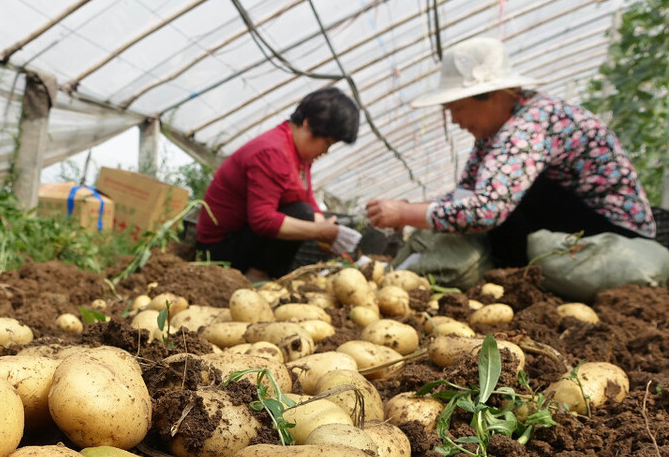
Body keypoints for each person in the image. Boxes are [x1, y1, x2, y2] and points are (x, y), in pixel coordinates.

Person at [366, 37, 656, 268]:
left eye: (456, 108)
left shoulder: (530, 124)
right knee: (496, 190)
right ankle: (508, 273)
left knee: (515, 195)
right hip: (579, 222)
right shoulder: (496, 131)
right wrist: (410, 209)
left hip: (617, 234)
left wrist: (405, 213)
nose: (454, 120)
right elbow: (465, 194)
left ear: (491, 96)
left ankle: (512, 274)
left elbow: (486, 210)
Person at [194, 86, 363, 278]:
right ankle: (257, 277)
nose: (326, 152)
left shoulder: (299, 155)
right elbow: (262, 220)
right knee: (302, 214)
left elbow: (307, 199)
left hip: (242, 238)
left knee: (305, 212)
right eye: (327, 143)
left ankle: (263, 275)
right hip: (218, 249)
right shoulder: (272, 152)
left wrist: (330, 230)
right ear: (307, 125)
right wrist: (317, 231)